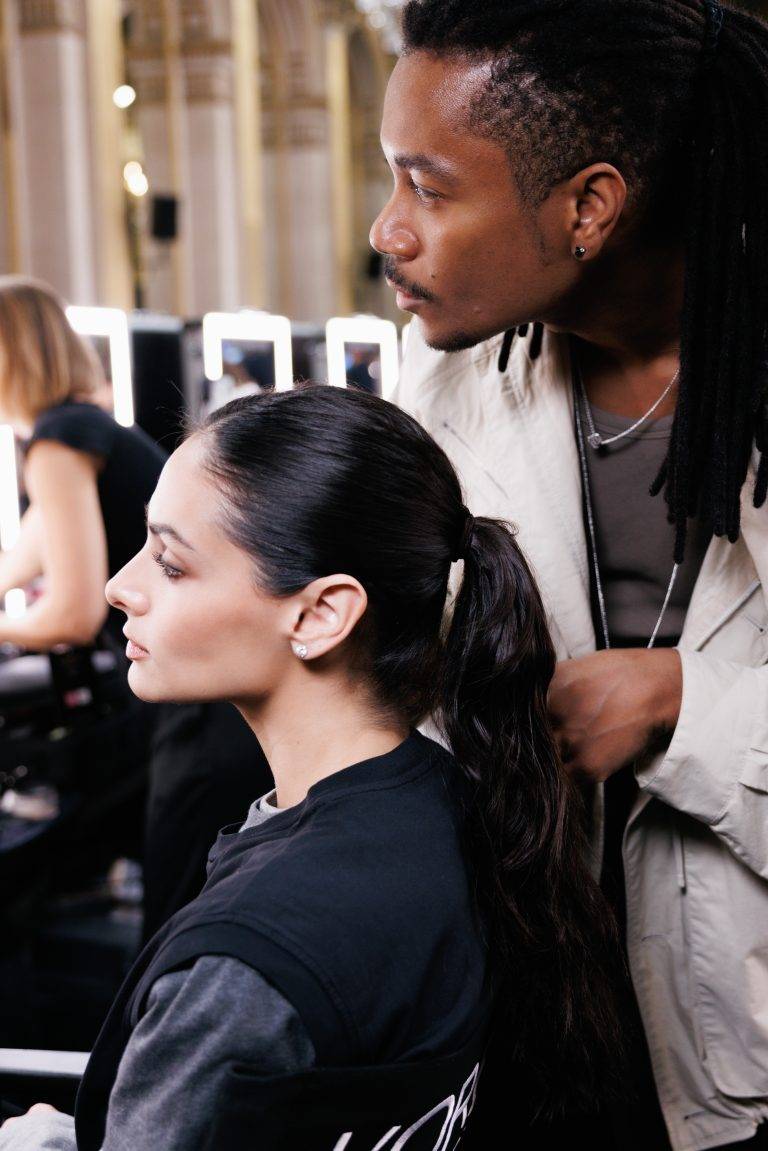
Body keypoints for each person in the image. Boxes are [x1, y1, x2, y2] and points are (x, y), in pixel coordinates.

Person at [0, 386, 619, 1150]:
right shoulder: (457, 802)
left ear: (320, 613)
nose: (119, 587)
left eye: (170, 562)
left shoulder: (241, 968)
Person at [369, 2, 768, 1149]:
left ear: (589, 205)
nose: (387, 231)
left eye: (430, 189)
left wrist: (678, 704)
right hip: (538, 1045)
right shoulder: (448, 375)